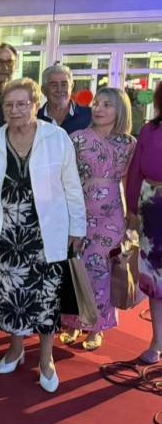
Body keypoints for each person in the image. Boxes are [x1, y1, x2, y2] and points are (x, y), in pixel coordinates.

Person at [0, 78, 86, 393]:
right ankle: (16, 347)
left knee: (47, 297)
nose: (15, 110)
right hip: (6, 234)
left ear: (36, 105)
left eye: (22, 104)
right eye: (9, 105)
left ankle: (46, 359)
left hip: (46, 233)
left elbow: (71, 185)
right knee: (11, 297)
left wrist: (77, 227)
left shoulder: (56, 137)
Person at [61, 88, 136, 350]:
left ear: (120, 110)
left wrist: (130, 217)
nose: (99, 108)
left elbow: (130, 180)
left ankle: (97, 326)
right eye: (96, 103)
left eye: (107, 104)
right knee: (75, 264)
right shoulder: (77, 139)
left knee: (101, 268)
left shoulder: (128, 144)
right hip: (80, 207)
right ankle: (72, 321)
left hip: (112, 210)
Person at [127, 81, 162, 364]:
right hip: (152, 206)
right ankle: (157, 340)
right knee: (154, 279)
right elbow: (135, 171)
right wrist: (131, 210)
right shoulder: (150, 130)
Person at [37, 65, 92, 135]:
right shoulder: (34, 118)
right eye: (54, 85)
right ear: (44, 90)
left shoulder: (89, 115)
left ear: (71, 87)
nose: (59, 90)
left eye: (64, 84)